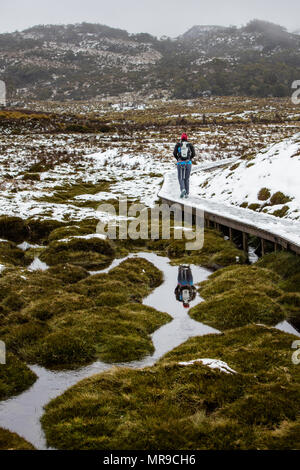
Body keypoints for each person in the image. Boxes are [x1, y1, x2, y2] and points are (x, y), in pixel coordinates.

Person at [173, 133, 195, 199]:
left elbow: (174, 153)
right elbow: (193, 154)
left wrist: (178, 159)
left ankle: (183, 189)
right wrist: (189, 159)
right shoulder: (190, 145)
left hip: (180, 163)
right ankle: (187, 194)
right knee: (187, 178)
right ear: (186, 138)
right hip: (188, 163)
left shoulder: (178, 145)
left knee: (181, 178)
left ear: (181, 138)